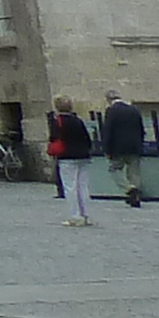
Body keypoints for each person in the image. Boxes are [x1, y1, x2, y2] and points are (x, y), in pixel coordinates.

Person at [46, 95, 97, 224]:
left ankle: (75, 216)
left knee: (70, 187)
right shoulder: (77, 120)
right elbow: (86, 138)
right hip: (83, 155)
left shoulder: (58, 121)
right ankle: (86, 215)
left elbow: (54, 138)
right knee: (83, 186)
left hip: (67, 156)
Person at [101, 89, 149, 209]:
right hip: (134, 146)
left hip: (118, 147)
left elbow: (108, 131)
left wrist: (106, 148)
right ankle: (135, 194)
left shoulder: (111, 111)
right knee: (134, 172)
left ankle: (129, 189)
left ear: (108, 99)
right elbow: (141, 129)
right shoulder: (133, 109)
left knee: (114, 169)